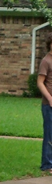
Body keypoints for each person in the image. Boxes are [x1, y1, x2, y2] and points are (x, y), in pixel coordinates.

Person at [37, 32, 52, 174]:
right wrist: (49, 97)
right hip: (49, 106)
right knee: (49, 134)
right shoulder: (46, 61)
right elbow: (40, 82)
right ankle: (47, 165)